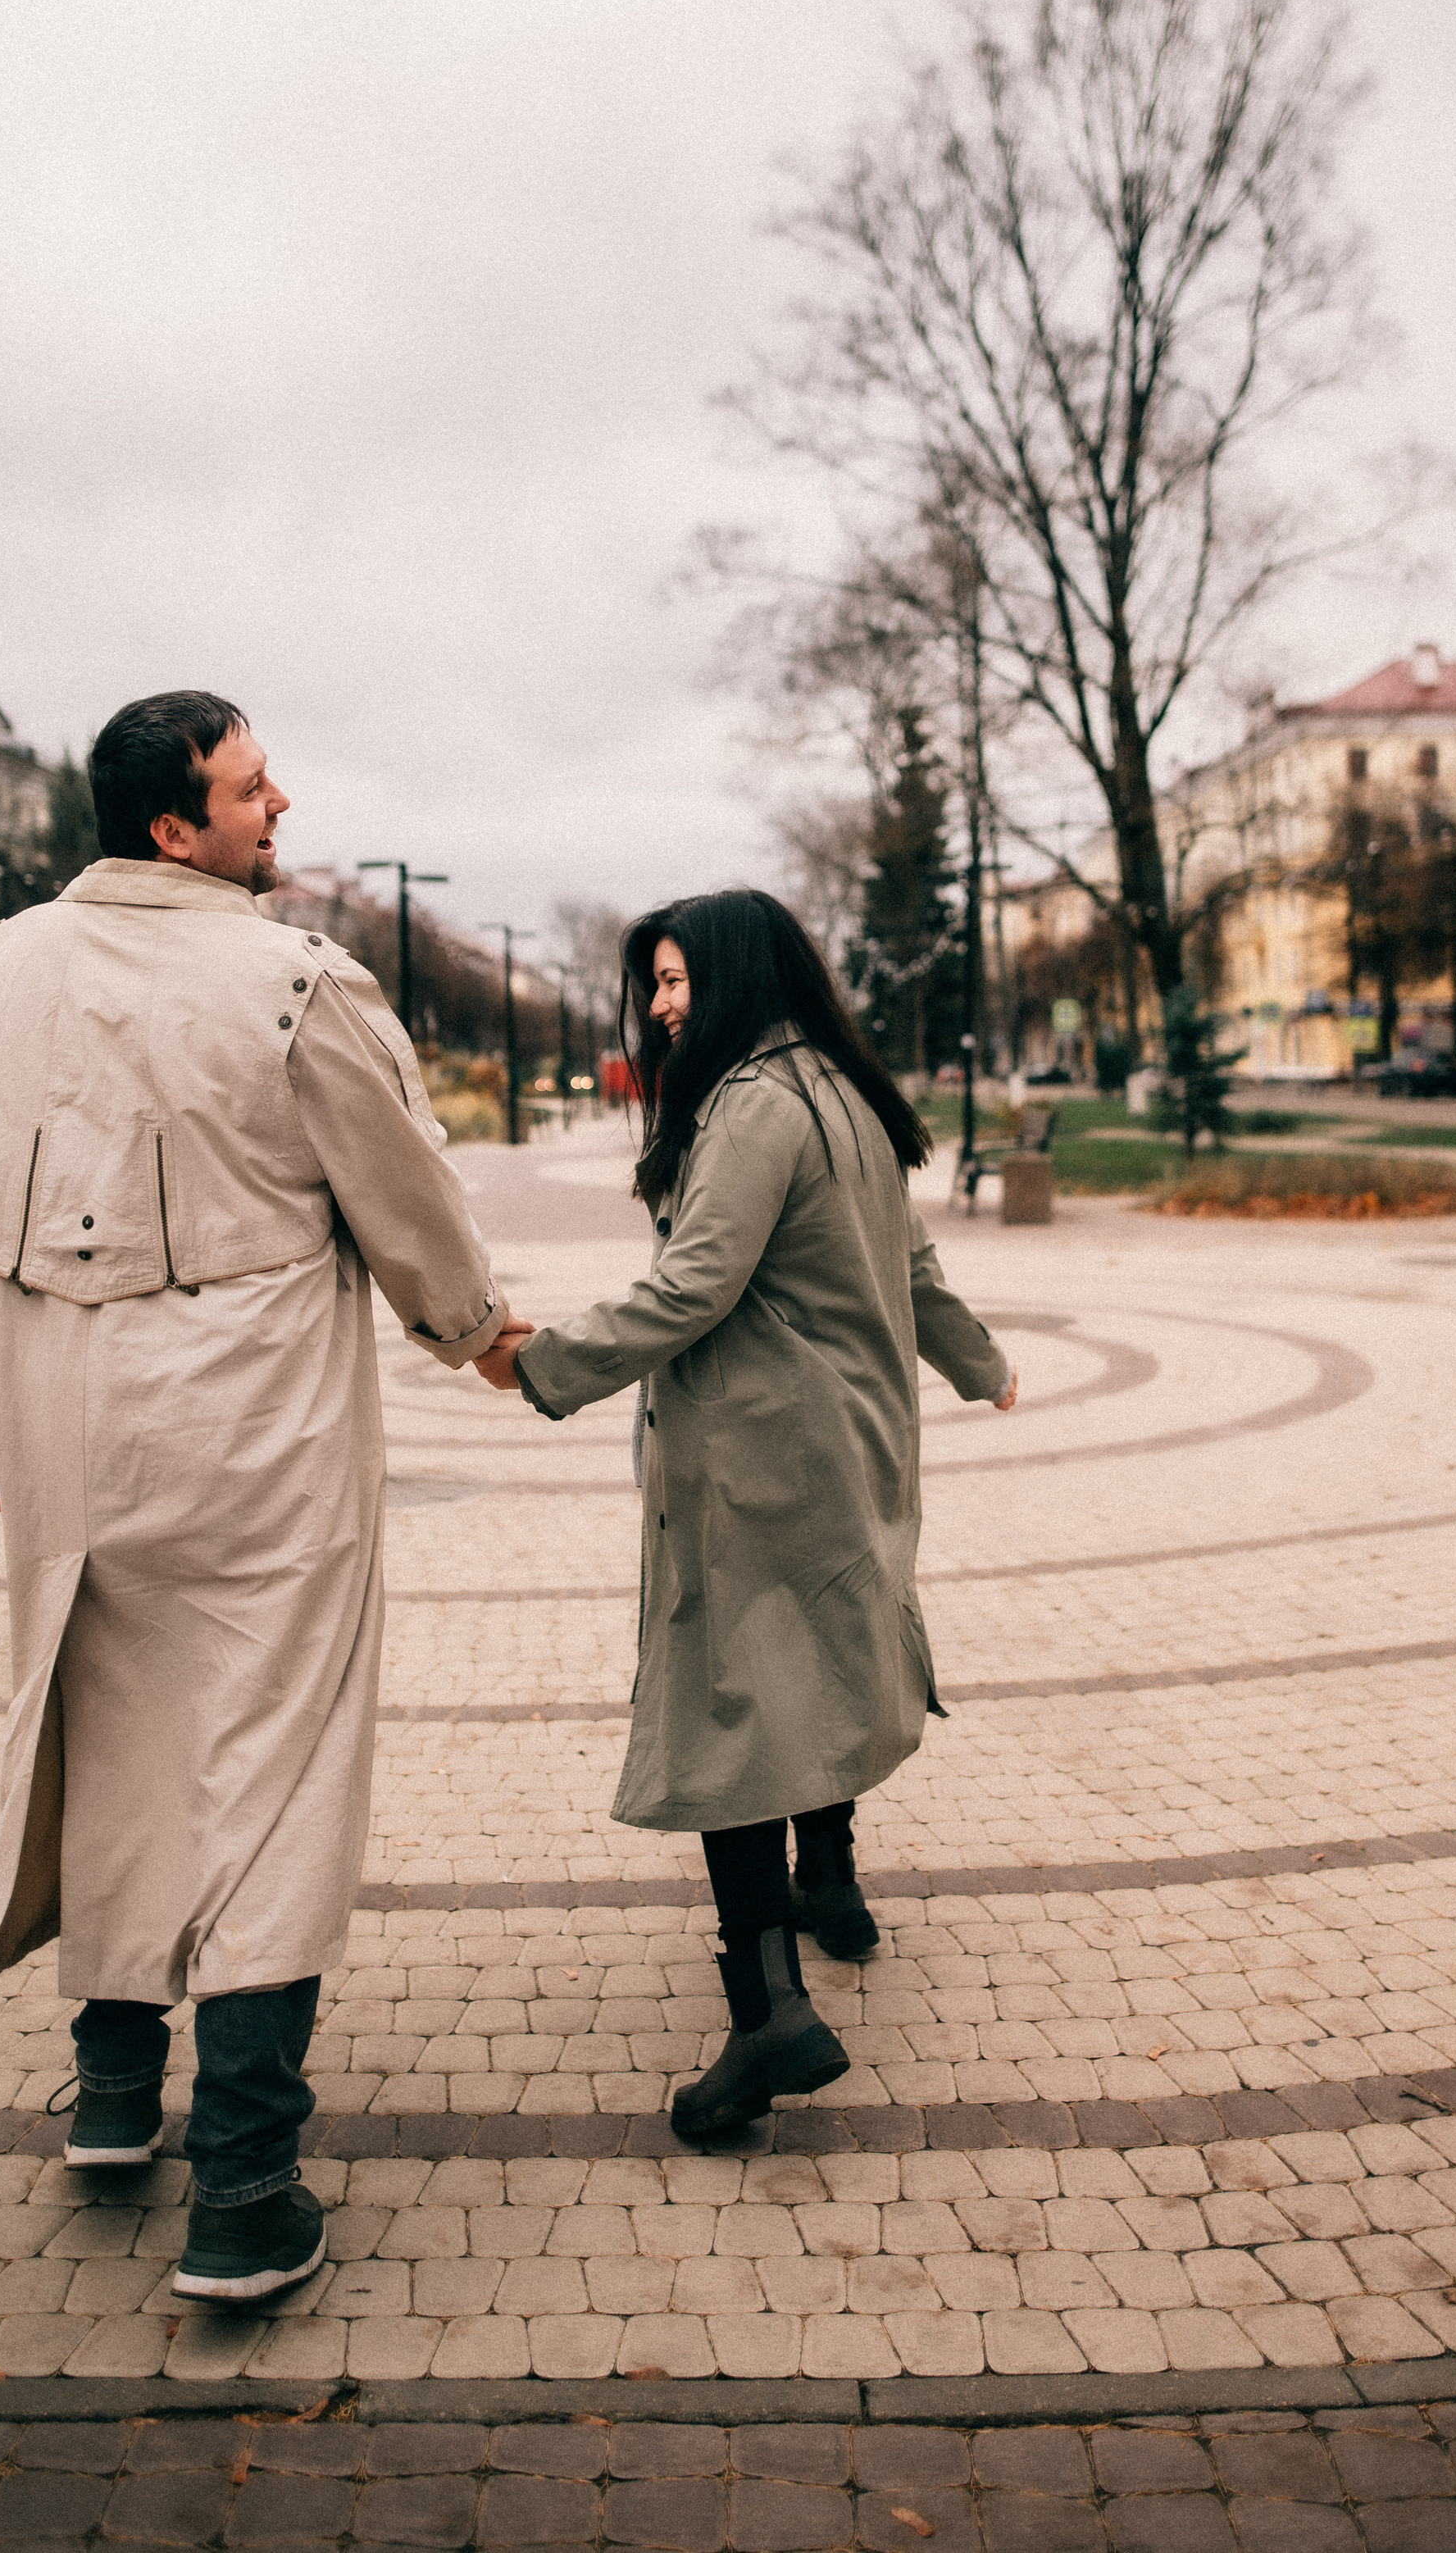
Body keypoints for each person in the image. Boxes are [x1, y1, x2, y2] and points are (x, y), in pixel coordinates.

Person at [0, 691, 525, 2304]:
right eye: (253, 787)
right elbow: (406, 1198)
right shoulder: (296, 984)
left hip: (65, 1422)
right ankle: (246, 2185)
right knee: (268, 1772)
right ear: (174, 825)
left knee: (108, 1741)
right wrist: (479, 1333)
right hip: (255, 1440)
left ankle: (117, 2099)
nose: (284, 802)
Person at [477, 888, 1017, 2137]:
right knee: (819, 1658)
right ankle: (829, 1886)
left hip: (760, 1453)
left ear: (733, 980)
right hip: (853, 1443)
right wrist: (978, 1363)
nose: (662, 1010)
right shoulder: (844, 1090)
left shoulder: (756, 1105)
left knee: (730, 1706)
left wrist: (544, 1362)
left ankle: (768, 2013)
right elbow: (914, 1267)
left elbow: (695, 1284)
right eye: (653, 987)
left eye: (675, 984)